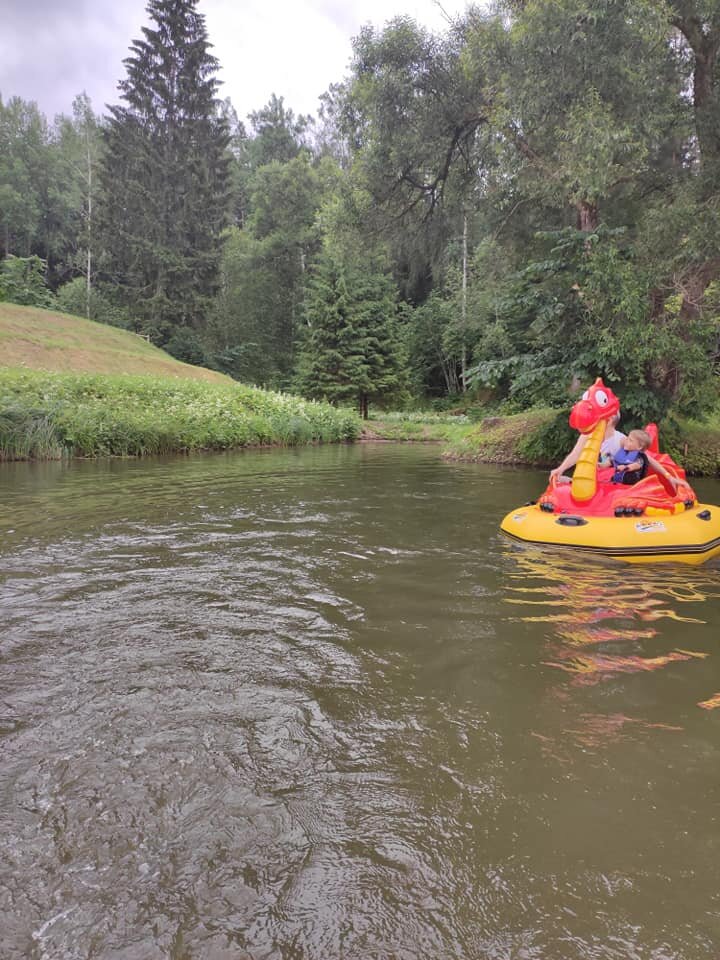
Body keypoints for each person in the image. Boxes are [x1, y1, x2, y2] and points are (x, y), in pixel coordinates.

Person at [549, 413, 625, 483]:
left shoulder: (621, 440)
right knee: (559, 479)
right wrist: (560, 469)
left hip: (608, 481)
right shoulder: (587, 435)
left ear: (610, 420)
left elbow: (629, 462)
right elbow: (576, 454)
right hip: (588, 478)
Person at [611, 429, 681, 489]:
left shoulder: (639, 457)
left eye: (630, 440)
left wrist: (626, 467)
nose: (626, 441)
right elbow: (612, 462)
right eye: (627, 438)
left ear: (639, 447)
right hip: (618, 482)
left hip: (632, 486)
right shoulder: (623, 452)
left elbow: (636, 465)